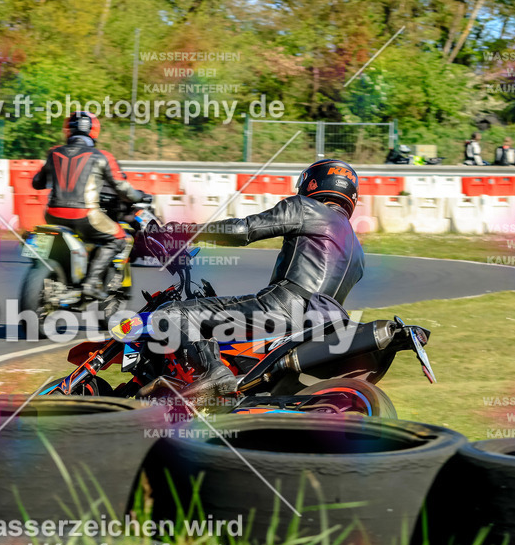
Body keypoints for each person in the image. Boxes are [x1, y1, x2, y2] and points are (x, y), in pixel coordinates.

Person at [150, 159, 365, 399]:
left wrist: (186, 231)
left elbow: (244, 230)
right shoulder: (358, 249)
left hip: (283, 306)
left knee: (171, 313)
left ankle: (213, 373)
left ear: (313, 183)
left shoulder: (307, 208)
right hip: (320, 325)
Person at [32, 111, 147, 300]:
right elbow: (121, 186)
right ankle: (92, 282)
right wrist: (138, 195)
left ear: (67, 130)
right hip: (85, 216)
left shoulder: (53, 152)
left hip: (52, 215)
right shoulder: (103, 156)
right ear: (94, 131)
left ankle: (66, 274)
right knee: (118, 237)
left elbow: (37, 183)